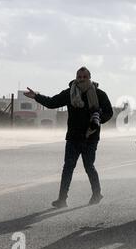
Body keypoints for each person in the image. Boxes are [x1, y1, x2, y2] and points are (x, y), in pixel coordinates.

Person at [24, 67, 113, 208]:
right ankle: (62, 199)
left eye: (84, 76)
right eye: (79, 76)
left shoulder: (99, 94)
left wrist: (98, 119)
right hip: (73, 137)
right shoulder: (70, 93)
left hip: (90, 137)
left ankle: (97, 193)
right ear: (76, 77)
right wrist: (36, 96)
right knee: (68, 167)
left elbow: (109, 112)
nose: (81, 79)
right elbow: (52, 102)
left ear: (89, 77)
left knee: (89, 166)